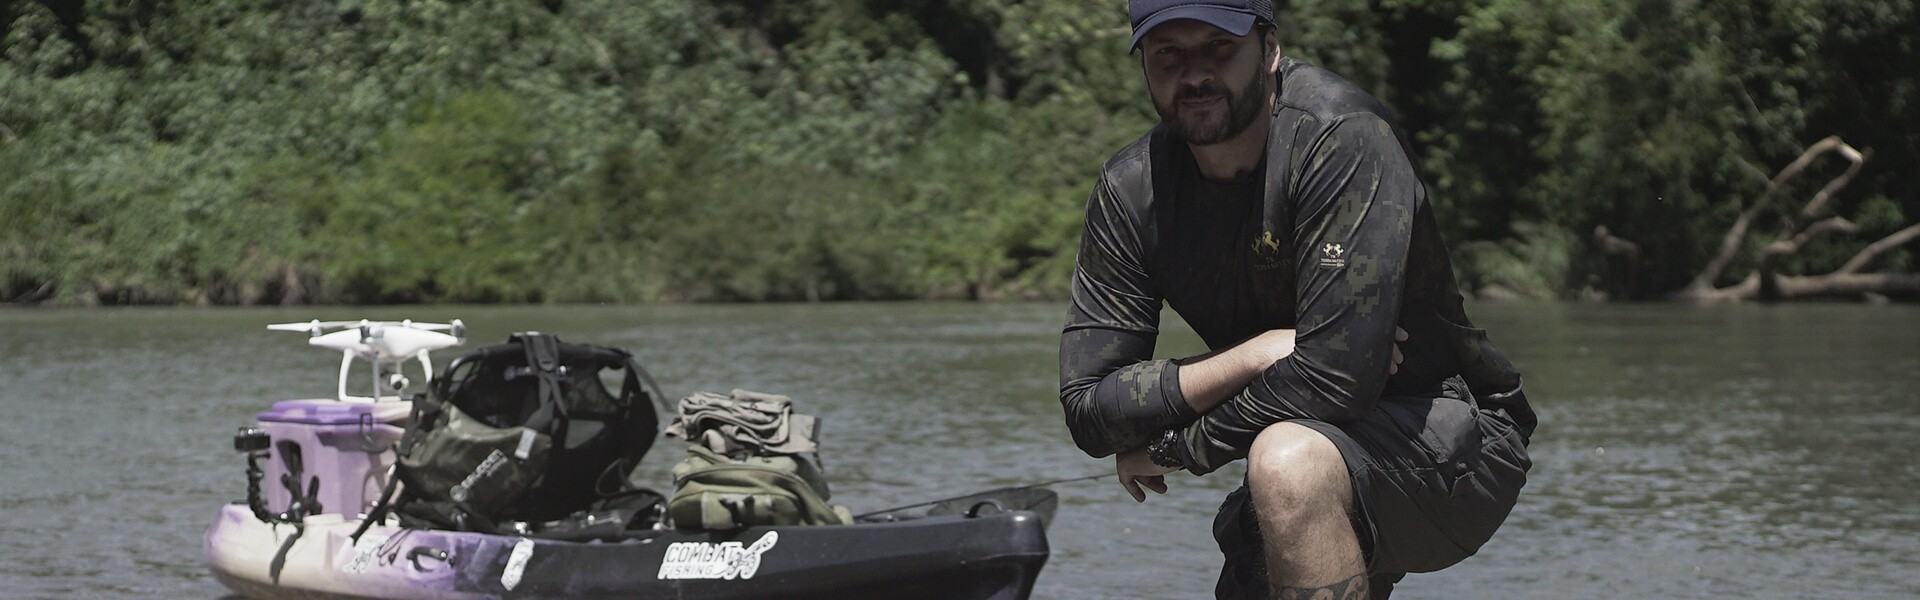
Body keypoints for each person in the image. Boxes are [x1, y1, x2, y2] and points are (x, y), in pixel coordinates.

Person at [1056, 1, 1537, 598]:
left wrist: (1174, 445)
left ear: (1270, 50)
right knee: (1283, 464)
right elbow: (1088, 406)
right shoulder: (1130, 191)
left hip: (1451, 434)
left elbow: (1335, 379)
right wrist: (1257, 354)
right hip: (1292, 445)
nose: (1195, 74)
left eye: (1219, 49)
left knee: (1286, 462)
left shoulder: (1343, 139)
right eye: (1169, 55)